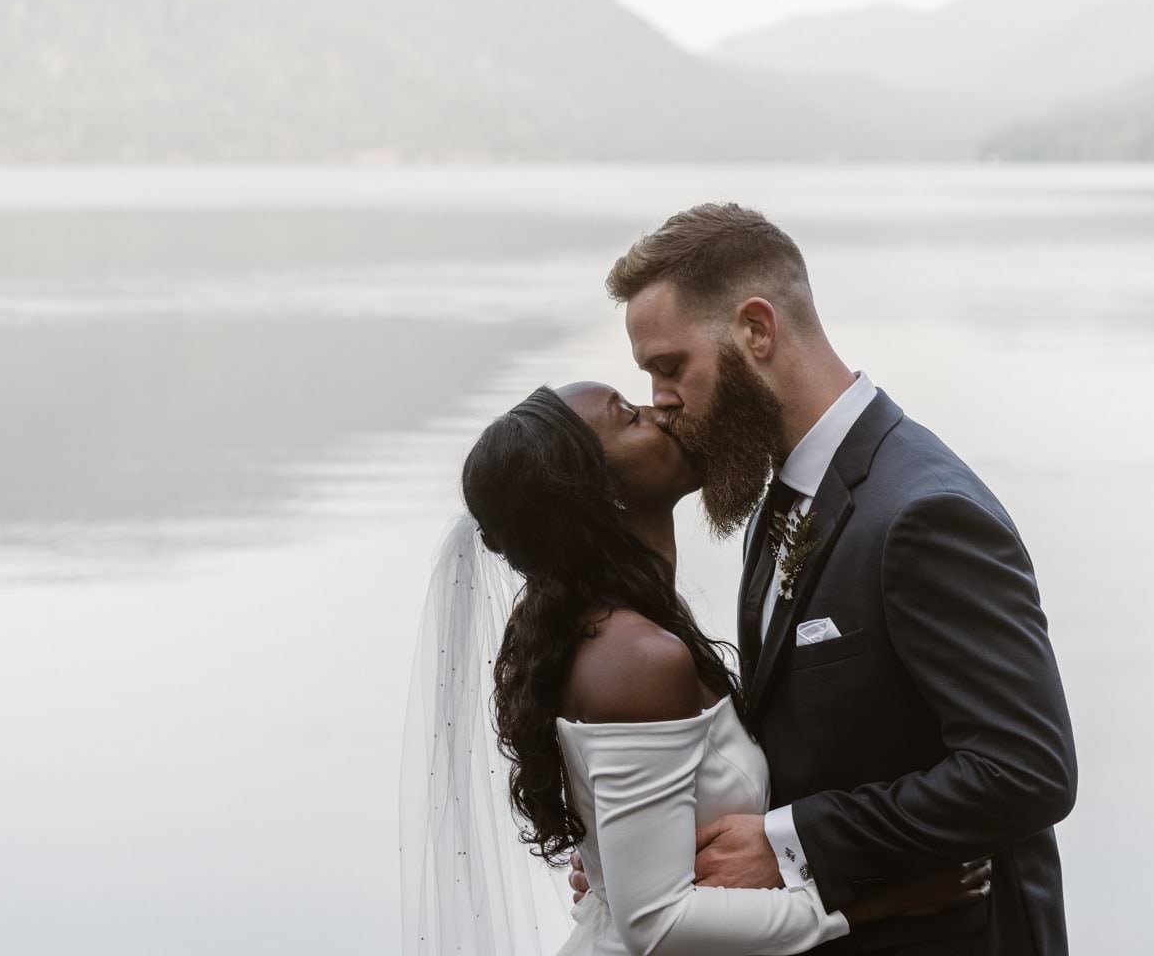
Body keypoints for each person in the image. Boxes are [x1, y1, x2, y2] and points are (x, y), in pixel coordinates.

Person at [568, 203, 1078, 955]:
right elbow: (804, 741)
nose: (661, 401)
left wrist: (788, 840)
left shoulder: (923, 513)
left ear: (756, 330)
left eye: (670, 367)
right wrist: (642, 846)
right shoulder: (775, 504)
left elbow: (1027, 771)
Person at [402, 382, 990, 956]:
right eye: (628, 416)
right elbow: (657, 926)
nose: (658, 411)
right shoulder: (635, 657)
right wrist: (873, 904)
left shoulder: (635, 622)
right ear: (601, 495)